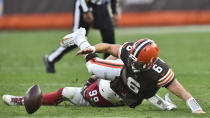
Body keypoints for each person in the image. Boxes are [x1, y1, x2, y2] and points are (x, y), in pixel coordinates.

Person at [60, 28, 205, 114]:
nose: (133, 62)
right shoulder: (131, 54)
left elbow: (184, 94)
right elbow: (110, 48)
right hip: (122, 71)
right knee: (92, 66)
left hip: (136, 84)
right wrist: (92, 49)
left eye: (138, 62)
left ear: (150, 63)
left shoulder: (160, 72)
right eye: (133, 58)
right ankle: (80, 38)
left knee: (140, 92)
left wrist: (196, 109)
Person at [2, 75, 176, 111]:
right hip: (104, 96)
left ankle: (21, 101)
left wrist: (88, 84)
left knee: (64, 92)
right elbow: (151, 96)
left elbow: (94, 76)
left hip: (96, 95)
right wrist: (167, 105)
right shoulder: (138, 89)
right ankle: (21, 101)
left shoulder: (110, 81)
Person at [44, 0, 119, 73]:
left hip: (101, 5)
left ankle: (107, 68)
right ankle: (51, 58)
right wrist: (85, 10)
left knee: (109, 39)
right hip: (85, 4)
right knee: (76, 38)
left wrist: (115, 11)